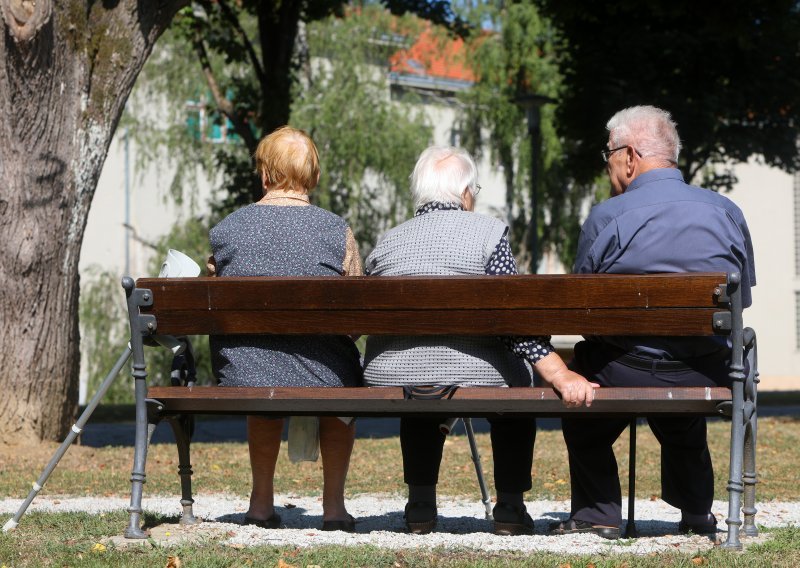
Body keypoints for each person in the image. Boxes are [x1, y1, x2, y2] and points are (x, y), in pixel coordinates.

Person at [363, 145, 598, 536]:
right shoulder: (489, 233)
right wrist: (556, 371)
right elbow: (512, 316)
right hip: (479, 371)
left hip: (392, 372)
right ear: (467, 192)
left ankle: (420, 503)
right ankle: (509, 506)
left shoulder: (388, 241)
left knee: (421, 381)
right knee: (514, 391)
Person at [551, 105, 756, 539]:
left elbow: (580, 307)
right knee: (680, 405)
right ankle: (697, 512)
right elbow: (744, 300)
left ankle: (597, 514)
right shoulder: (727, 212)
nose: (608, 165)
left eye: (607, 155)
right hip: (706, 366)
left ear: (628, 156)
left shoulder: (607, 217)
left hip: (622, 366)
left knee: (586, 390)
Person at [207, 126, 363, 532]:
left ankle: (260, 503)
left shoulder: (227, 230)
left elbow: (212, 291)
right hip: (326, 373)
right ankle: (334, 508)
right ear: (312, 176)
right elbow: (357, 313)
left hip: (247, 372)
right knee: (339, 379)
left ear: (264, 175)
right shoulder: (337, 230)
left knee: (262, 365)